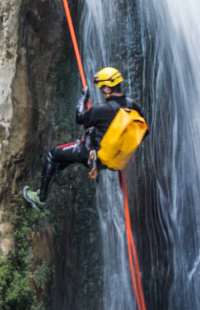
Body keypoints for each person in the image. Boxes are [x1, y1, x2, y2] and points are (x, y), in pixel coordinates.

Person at [23, 66, 142, 210]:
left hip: (90, 155)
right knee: (65, 159)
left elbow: (79, 117)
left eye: (102, 87)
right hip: (110, 160)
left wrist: (84, 98)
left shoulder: (103, 109)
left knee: (52, 156)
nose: (101, 90)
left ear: (108, 89)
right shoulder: (132, 105)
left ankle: (40, 198)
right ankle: (49, 178)